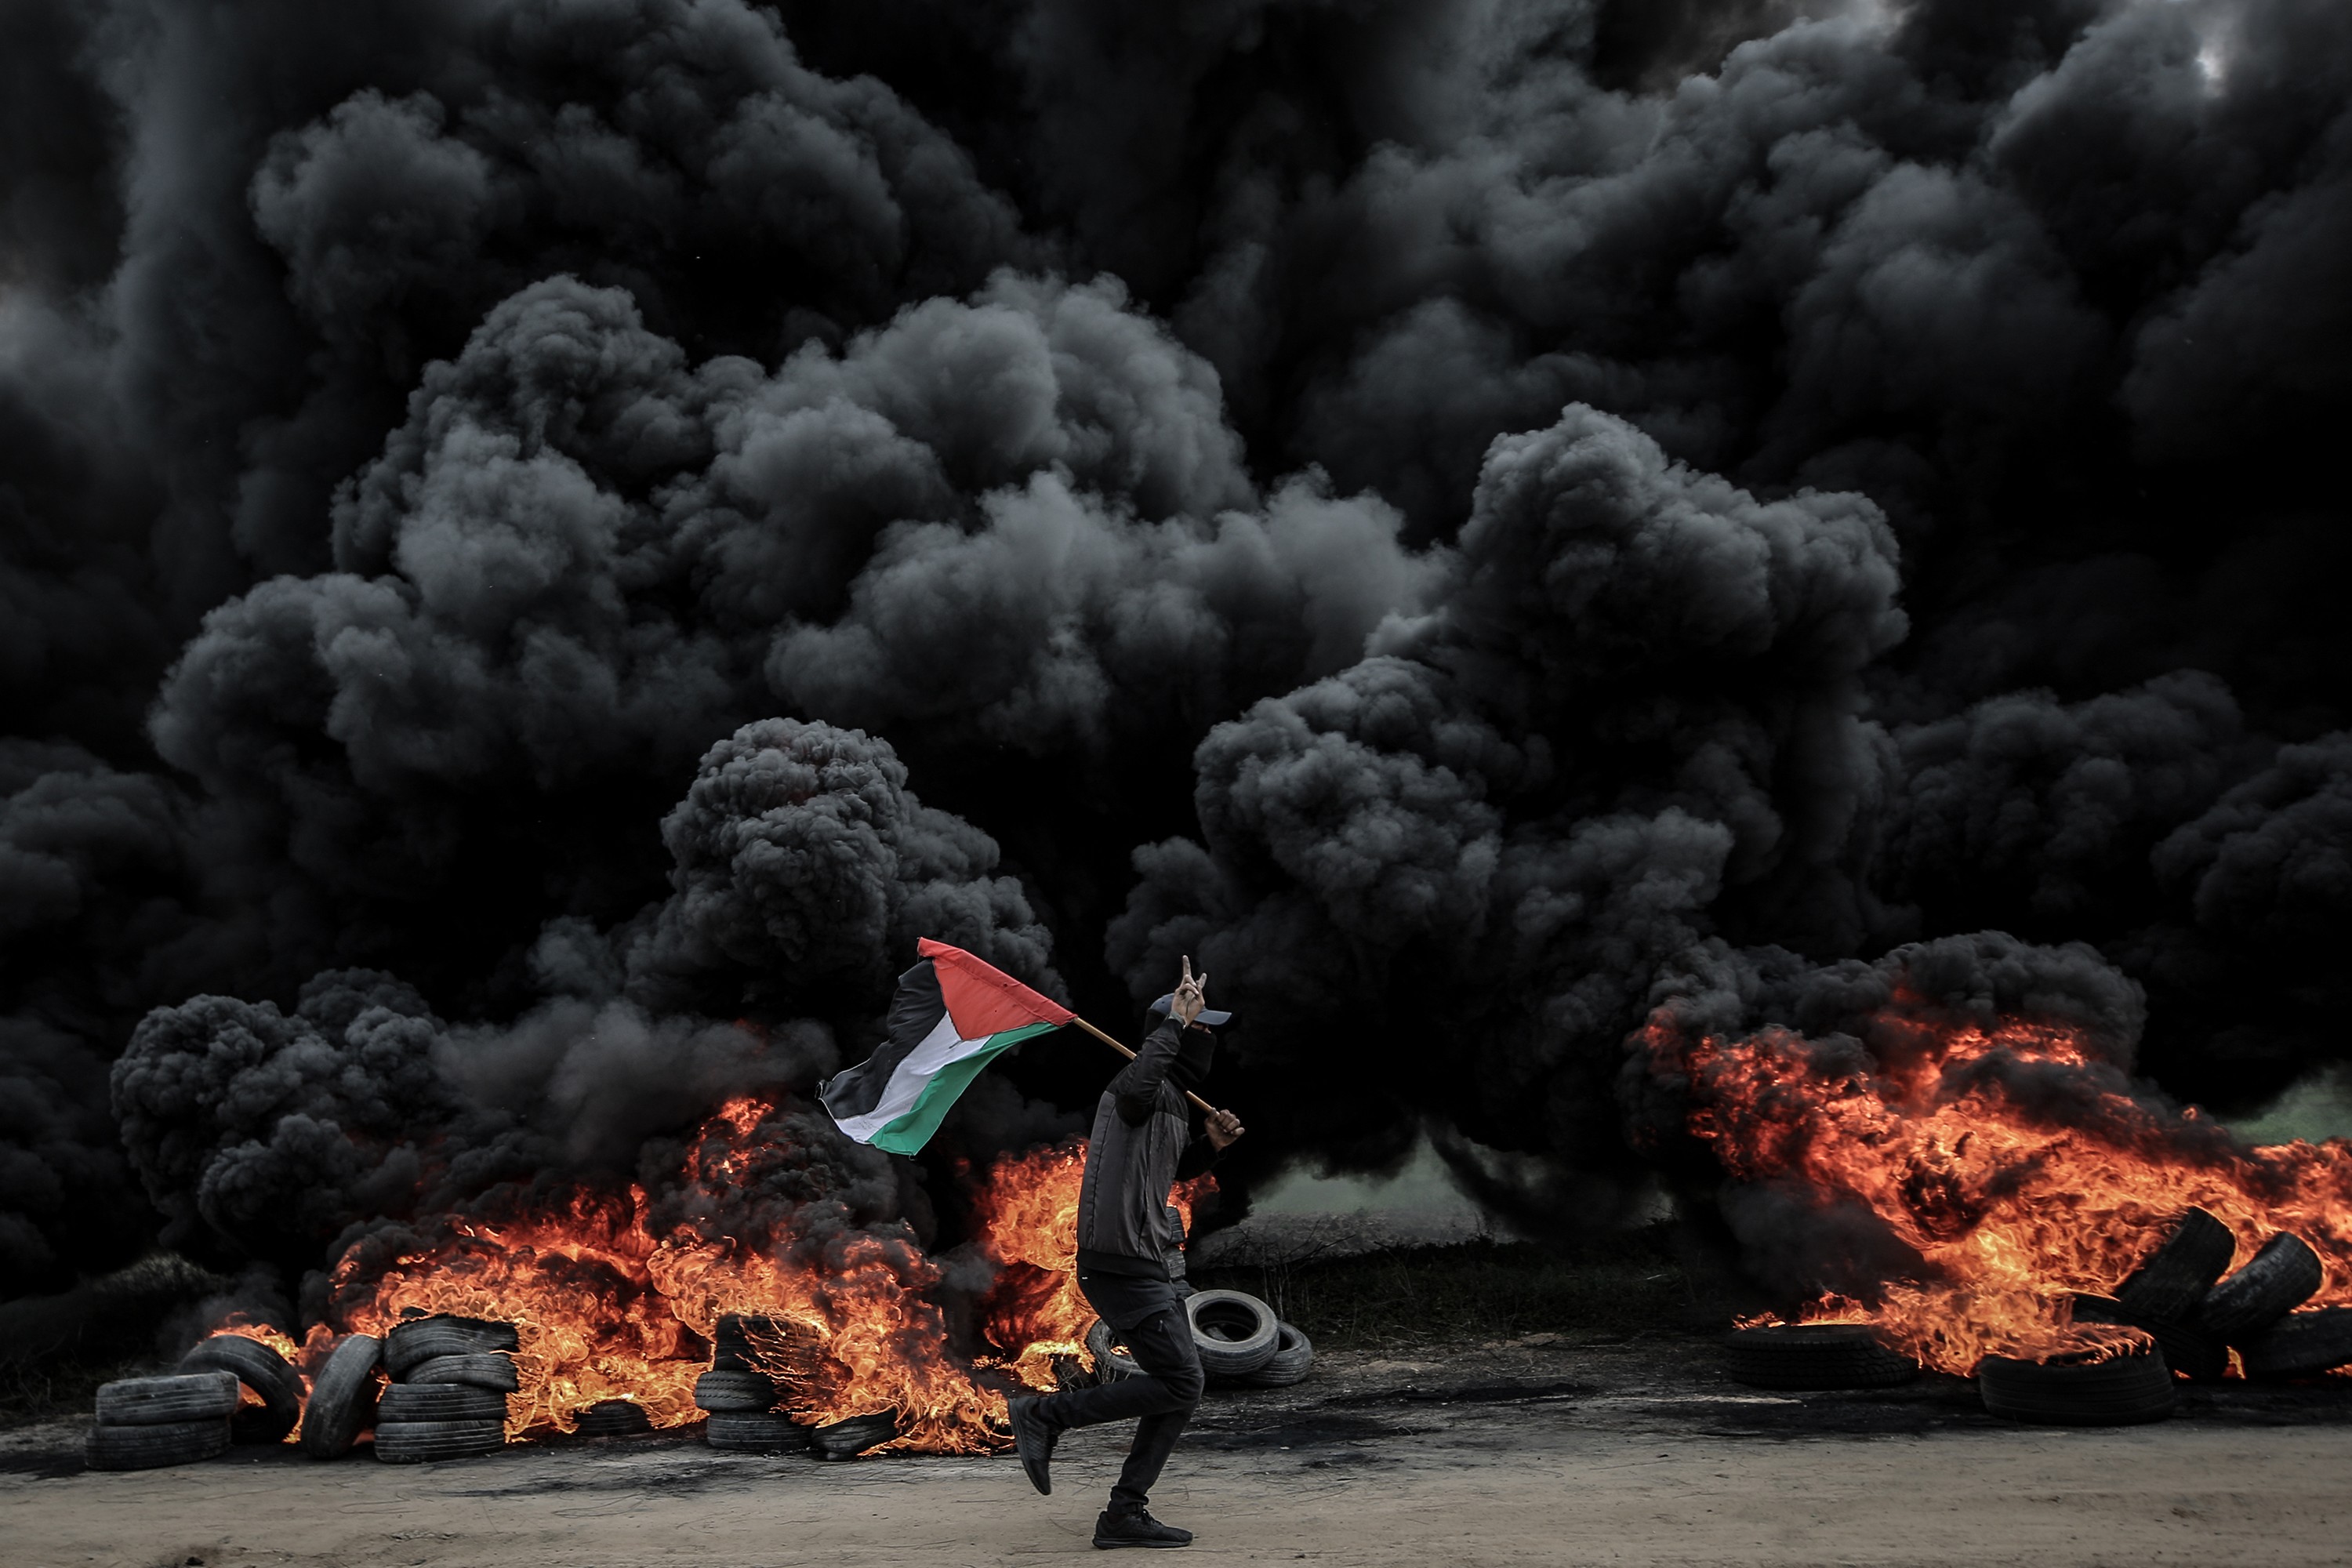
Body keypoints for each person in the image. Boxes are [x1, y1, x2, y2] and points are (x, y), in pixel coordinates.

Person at [1009, 956, 1244, 1549]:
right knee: (1184, 1382)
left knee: (1177, 1384)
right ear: (1176, 1033)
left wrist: (1209, 1149)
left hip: (1139, 1260)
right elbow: (1140, 1082)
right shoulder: (1135, 1086)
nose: (1207, 1036)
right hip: (1120, 1262)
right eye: (1201, 1026)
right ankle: (1044, 1417)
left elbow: (1163, 1170)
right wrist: (1172, 1025)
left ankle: (1123, 1515)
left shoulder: (1165, 1100)